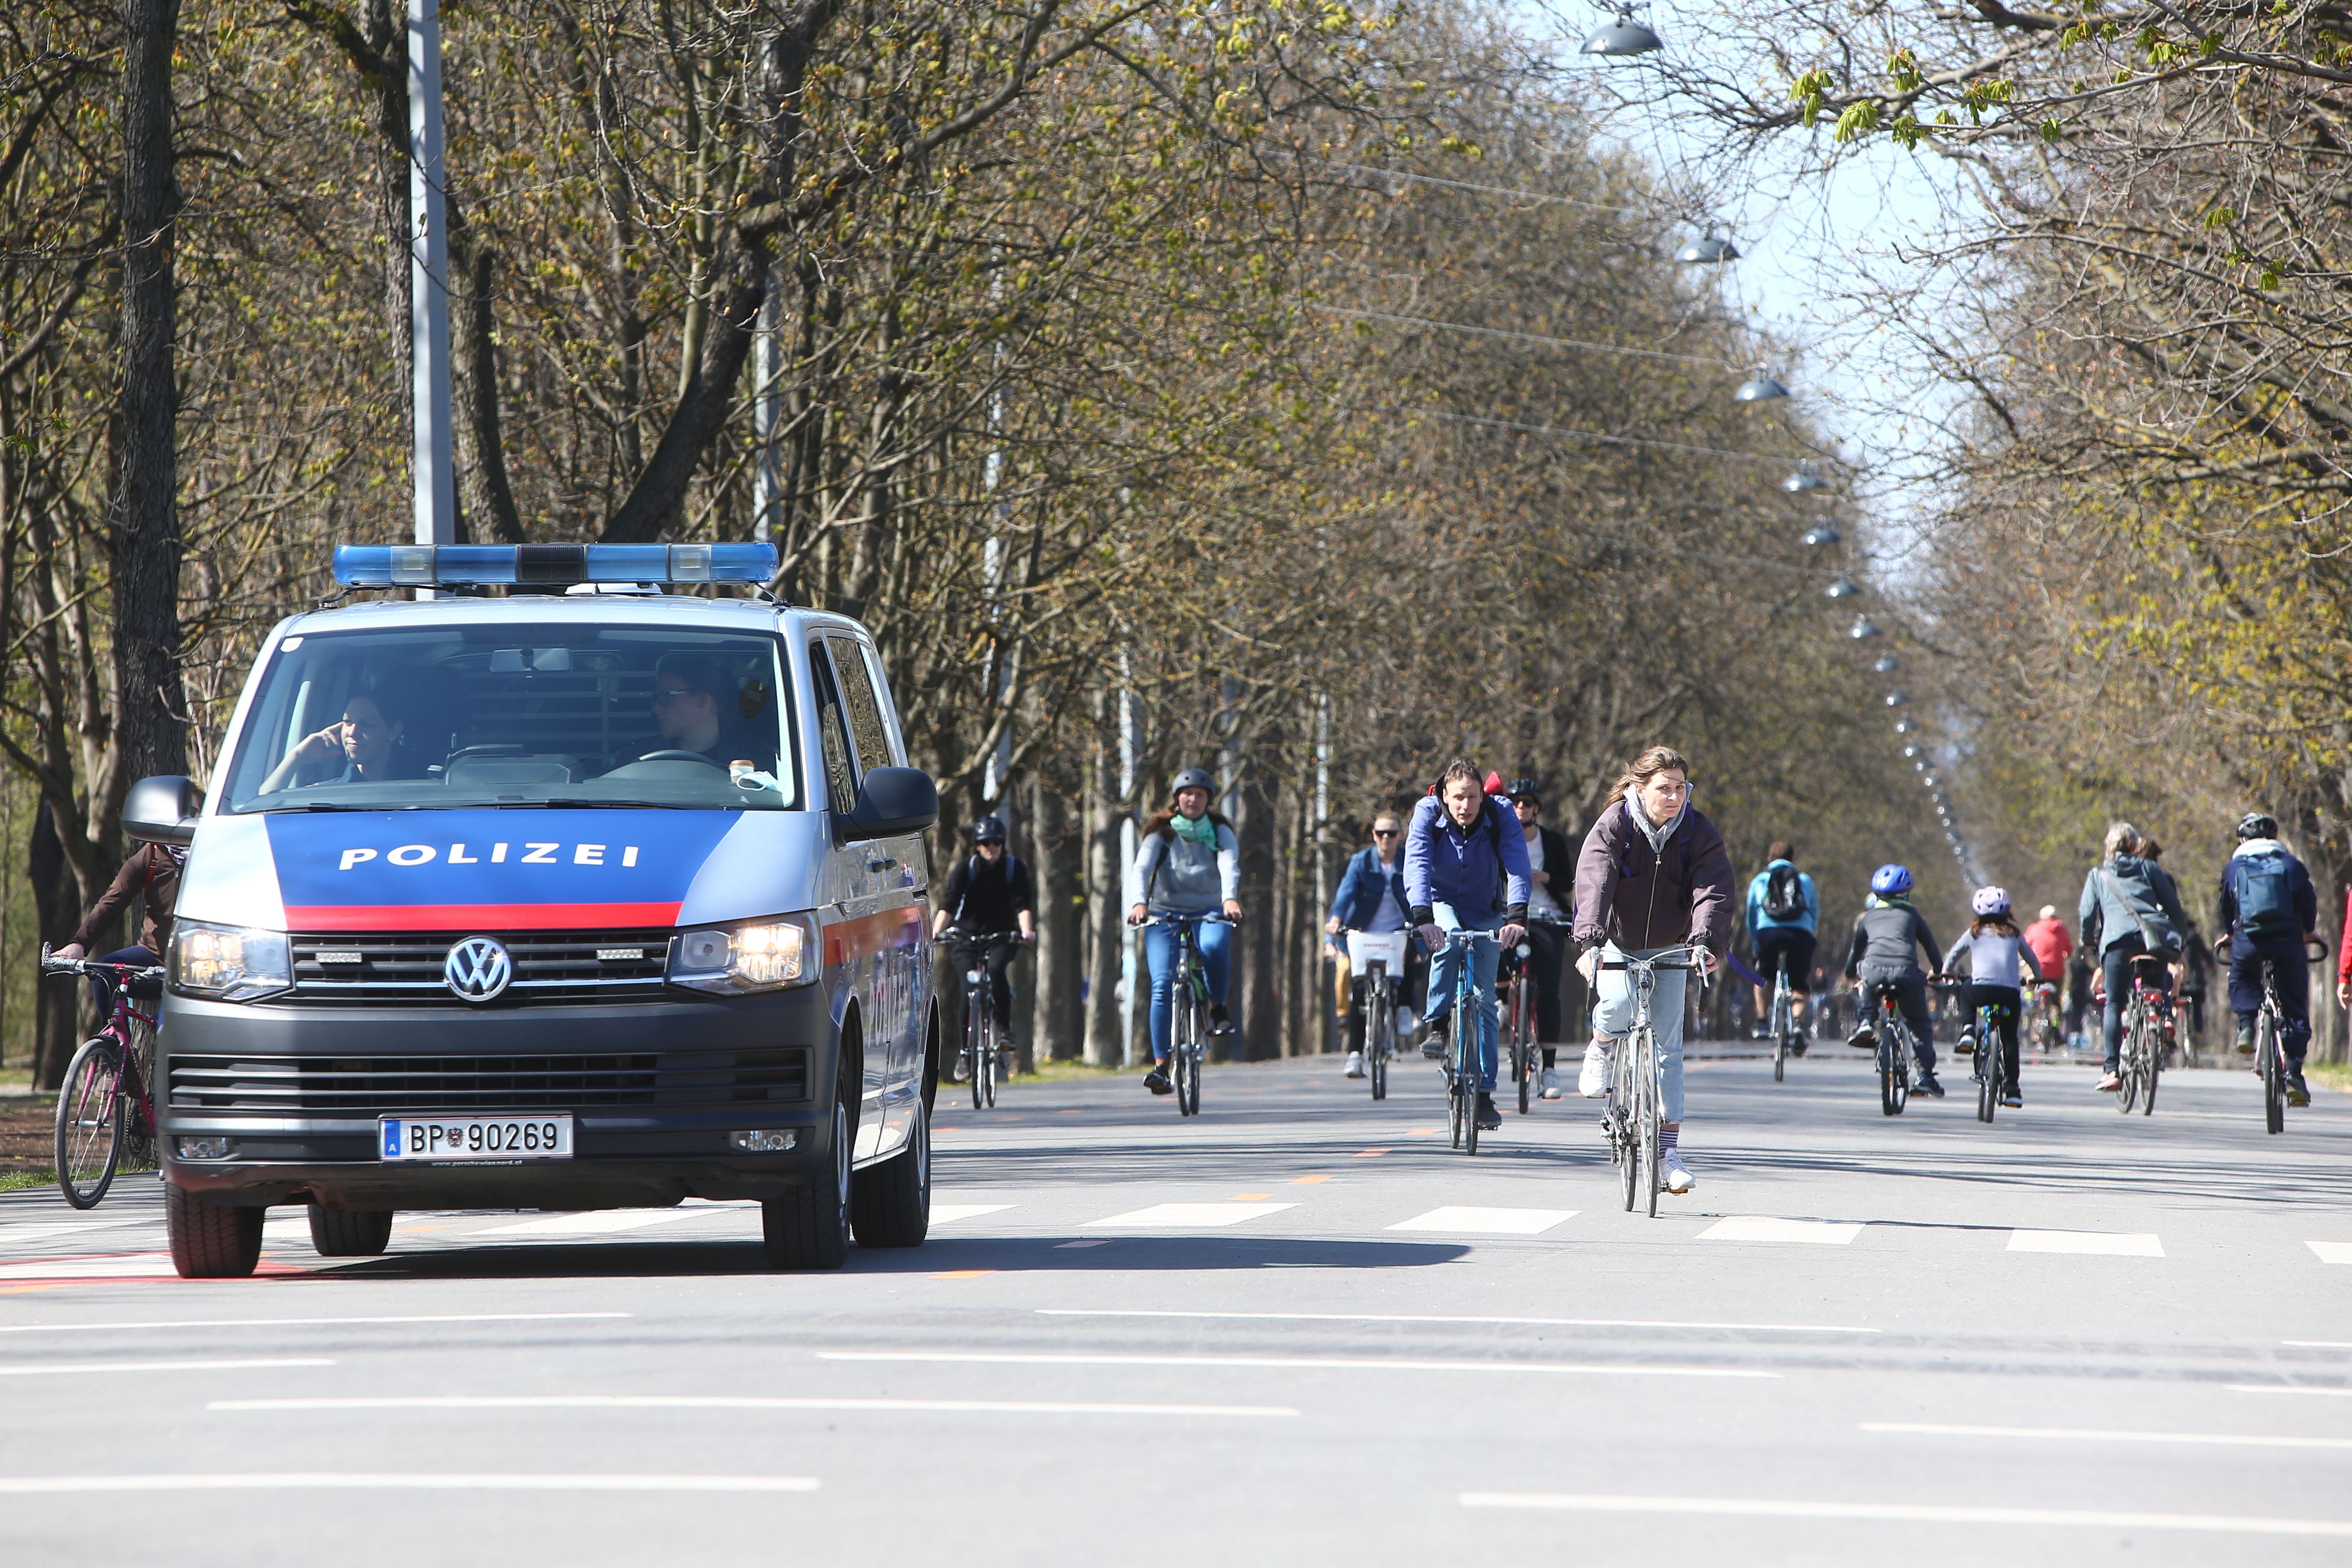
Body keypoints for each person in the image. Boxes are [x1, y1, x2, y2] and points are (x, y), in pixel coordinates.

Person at [1571, 745, 1732, 1194]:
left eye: (1681, 788)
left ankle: (1668, 1153)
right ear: (1639, 789)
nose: (1675, 796)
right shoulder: (1615, 824)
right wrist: (1589, 940)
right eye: (1665, 788)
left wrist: (1705, 941)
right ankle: (1601, 1047)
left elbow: (1712, 888)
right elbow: (1596, 879)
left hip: (1670, 945)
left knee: (1669, 1050)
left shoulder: (1697, 831)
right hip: (1618, 940)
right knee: (1618, 1002)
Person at [1404, 758, 1532, 1132]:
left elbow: (1517, 863)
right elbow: (1417, 863)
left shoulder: (1501, 813)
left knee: (1485, 1002)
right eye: (1458, 797)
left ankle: (1484, 1094)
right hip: (1441, 903)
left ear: (1481, 796)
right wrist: (1423, 917)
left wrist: (1517, 917)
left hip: (1486, 908)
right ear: (1445, 795)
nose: (1466, 805)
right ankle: (1439, 1023)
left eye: (1473, 797)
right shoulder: (1427, 813)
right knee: (1448, 943)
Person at [1129, 768, 1243, 1095]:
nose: (1193, 799)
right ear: (1177, 799)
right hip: (1164, 913)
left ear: (1208, 800)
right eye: (1187, 793)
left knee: (1214, 948)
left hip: (1209, 910)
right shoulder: (1160, 832)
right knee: (1163, 984)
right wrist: (1139, 904)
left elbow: (1229, 864)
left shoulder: (1220, 831)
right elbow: (1142, 868)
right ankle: (1161, 1067)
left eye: (1200, 795)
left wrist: (1229, 898)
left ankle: (1217, 1007)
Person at [2079, 821, 2191, 1092]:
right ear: (2134, 845)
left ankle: (2111, 1070)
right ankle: (2160, 1017)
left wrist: (2088, 940)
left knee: (2115, 1004)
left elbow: (2087, 914)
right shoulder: (2150, 868)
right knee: (2156, 987)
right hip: (2151, 939)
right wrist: (2180, 937)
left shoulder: (2098, 874)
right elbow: (2174, 908)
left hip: (2117, 941)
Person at [2217, 812, 2318, 1105]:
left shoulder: (2234, 866)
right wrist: (2308, 932)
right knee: (2296, 1003)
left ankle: (2247, 1025)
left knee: (2242, 975)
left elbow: (2227, 907)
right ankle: (2296, 1072)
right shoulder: (2292, 865)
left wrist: (2229, 934)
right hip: (2288, 941)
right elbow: (2308, 904)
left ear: (2242, 839)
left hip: (2249, 940)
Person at [1325, 810, 1422, 1080]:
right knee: (1359, 990)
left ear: (1400, 836)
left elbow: (1422, 894)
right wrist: (1335, 921)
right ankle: (1355, 1055)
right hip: (1363, 933)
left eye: (1392, 833)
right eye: (1381, 833)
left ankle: (1404, 1009)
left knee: (1411, 953)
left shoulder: (1411, 863)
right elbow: (1344, 896)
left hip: (1399, 931)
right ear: (1374, 835)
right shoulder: (1361, 862)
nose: (1386, 838)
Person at [932, 814, 1036, 1059]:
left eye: (996, 843)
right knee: (969, 987)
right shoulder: (965, 869)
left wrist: (1026, 932)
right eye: (986, 843)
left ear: (1003, 844)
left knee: (997, 969)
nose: (991, 848)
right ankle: (965, 1051)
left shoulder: (1014, 868)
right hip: (965, 937)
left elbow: (1023, 905)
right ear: (977, 845)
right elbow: (949, 903)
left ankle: (1003, 1030)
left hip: (1001, 935)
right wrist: (936, 932)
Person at [1842, 863, 1947, 1096]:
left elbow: (1856, 951)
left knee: (1867, 971)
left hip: (1875, 972)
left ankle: (1867, 1020)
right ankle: (1926, 1076)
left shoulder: (1868, 918)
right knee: (1919, 1024)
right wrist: (1939, 971)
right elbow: (1929, 945)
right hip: (1906, 975)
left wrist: (1850, 973)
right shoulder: (1912, 914)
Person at [56, 838, 187, 1011]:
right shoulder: (151, 856)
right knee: (106, 974)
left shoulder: (219, 852)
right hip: (156, 959)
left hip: (204, 965)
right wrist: (80, 944)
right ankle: (113, 1035)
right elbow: (112, 902)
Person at [1944, 887, 2043, 1108]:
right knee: (2009, 1039)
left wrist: (1946, 972)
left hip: (1981, 990)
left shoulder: (1973, 933)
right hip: (2009, 993)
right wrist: (2038, 978)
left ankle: (1968, 1030)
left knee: (1966, 987)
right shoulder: (2014, 934)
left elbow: (1952, 956)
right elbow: (2033, 961)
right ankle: (2013, 1089)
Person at [1509, 778, 1576, 1098]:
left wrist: (1544, 877)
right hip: (1511, 918)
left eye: (1527, 802)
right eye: (1515, 802)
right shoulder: (1501, 839)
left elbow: (1567, 881)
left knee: (1549, 991)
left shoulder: (1552, 841)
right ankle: (1499, 1003)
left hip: (1548, 918)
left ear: (1536, 808)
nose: (1521, 808)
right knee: (1496, 951)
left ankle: (1549, 1069)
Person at [259, 687, 427, 792]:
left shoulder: (425, 789)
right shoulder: (328, 793)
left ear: (393, 731)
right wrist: (296, 757)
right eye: (348, 722)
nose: (353, 733)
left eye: (367, 725)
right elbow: (261, 808)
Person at [1745, 841, 1818, 1048]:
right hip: (1800, 933)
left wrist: (1755, 942)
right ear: (1792, 860)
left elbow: (1751, 915)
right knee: (1800, 984)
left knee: (1763, 977)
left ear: (1769, 859)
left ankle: (1761, 1023)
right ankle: (1796, 1025)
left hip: (1768, 932)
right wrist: (1809, 937)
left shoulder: (1760, 881)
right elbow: (1814, 913)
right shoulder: (1805, 881)